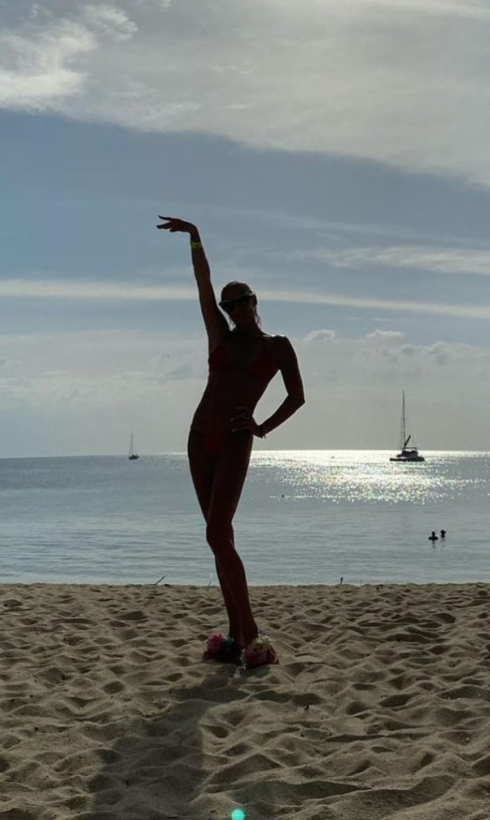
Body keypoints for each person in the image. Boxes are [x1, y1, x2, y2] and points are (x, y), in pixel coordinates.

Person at [157, 216, 305, 669]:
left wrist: (261, 427)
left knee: (218, 533)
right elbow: (202, 288)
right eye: (229, 304)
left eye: (242, 301)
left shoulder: (277, 347)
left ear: (255, 302)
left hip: (236, 442)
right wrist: (196, 239)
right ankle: (239, 632)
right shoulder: (218, 335)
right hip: (199, 439)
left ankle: (251, 632)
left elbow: (297, 397)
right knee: (218, 539)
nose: (235, 309)